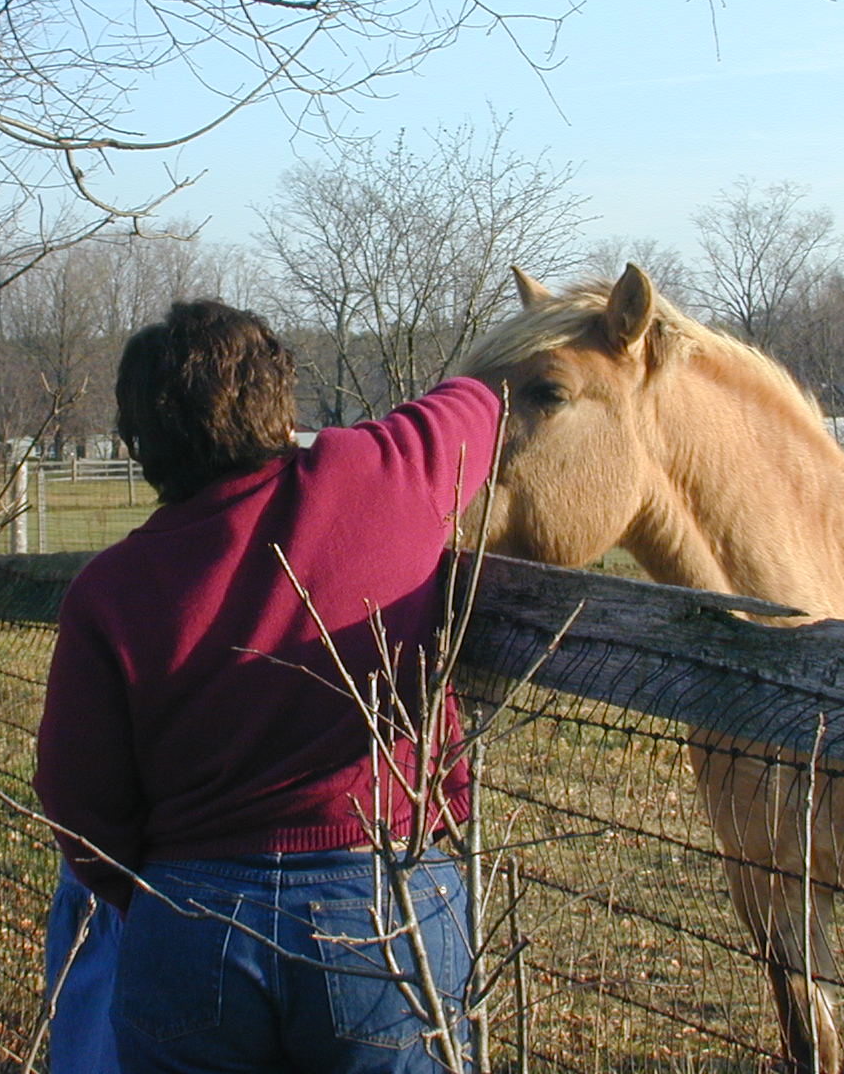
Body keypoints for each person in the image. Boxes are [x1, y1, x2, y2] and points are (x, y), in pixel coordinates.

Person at [34, 299, 502, 1073]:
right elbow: (482, 403)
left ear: (140, 443)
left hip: (189, 915)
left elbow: (76, 800)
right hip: (380, 902)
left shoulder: (109, 589)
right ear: (282, 413)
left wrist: (161, 894)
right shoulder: (376, 478)